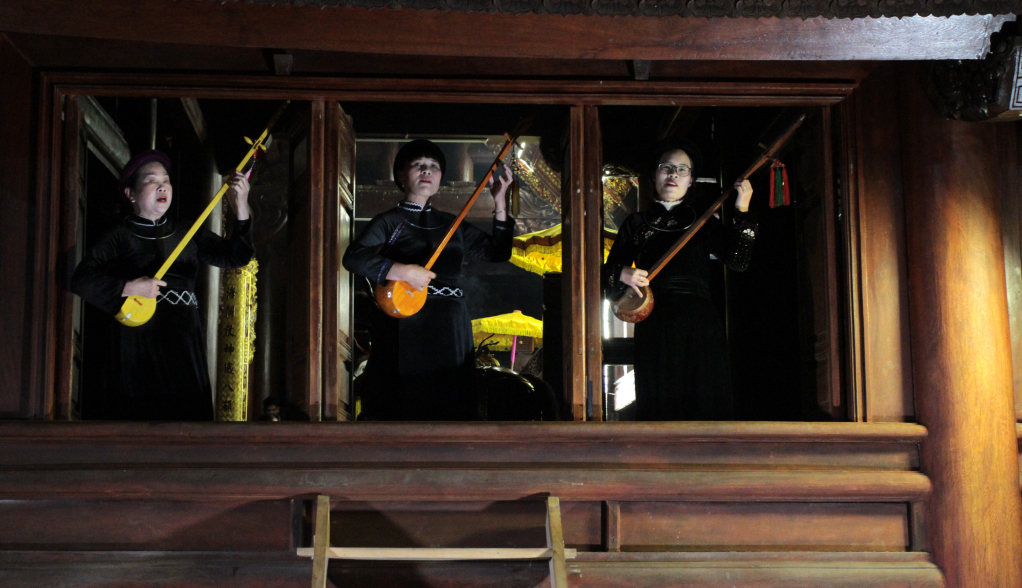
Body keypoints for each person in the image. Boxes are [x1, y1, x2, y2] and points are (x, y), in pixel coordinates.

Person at [71, 150, 255, 420]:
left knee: (188, 418)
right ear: (130, 194)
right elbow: (81, 280)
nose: (162, 186)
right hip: (139, 346)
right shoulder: (119, 236)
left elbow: (236, 256)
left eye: (166, 180)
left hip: (184, 343)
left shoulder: (187, 231)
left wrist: (240, 206)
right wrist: (129, 287)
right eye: (151, 180)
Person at [343, 139, 515, 420]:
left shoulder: (451, 223)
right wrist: (403, 271)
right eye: (418, 164)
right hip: (407, 322)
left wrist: (499, 200)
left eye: (434, 166)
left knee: (451, 403)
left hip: (451, 324)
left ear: (440, 178)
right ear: (401, 176)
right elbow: (353, 258)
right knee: (408, 401)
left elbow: (497, 252)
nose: (427, 170)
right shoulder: (389, 221)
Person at [603, 140, 758, 421]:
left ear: (691, 180)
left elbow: (739, 261)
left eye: (682, 170)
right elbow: (605, 276)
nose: (673, 174)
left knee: (704, 395)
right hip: (655, 321)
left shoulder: (703, 221)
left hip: (699, 321)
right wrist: (623, 272)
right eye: (666, 167)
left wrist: (742, 208)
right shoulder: (636, 224)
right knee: (660, 398)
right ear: (654, 175)